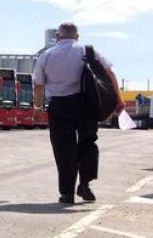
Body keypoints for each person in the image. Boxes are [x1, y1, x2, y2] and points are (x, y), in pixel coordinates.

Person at [32, 22, 120, 205]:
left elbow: (38, 84)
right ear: (77, 37)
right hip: (87, 104)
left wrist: (37, 108)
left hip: (59, 106)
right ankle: (85, 185)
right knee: (88, 143)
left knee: (64, 150)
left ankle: (67, 194)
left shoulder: (46, 55)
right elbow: (110, 73)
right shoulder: (87, 51)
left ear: (57, 36)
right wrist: (118, 99)